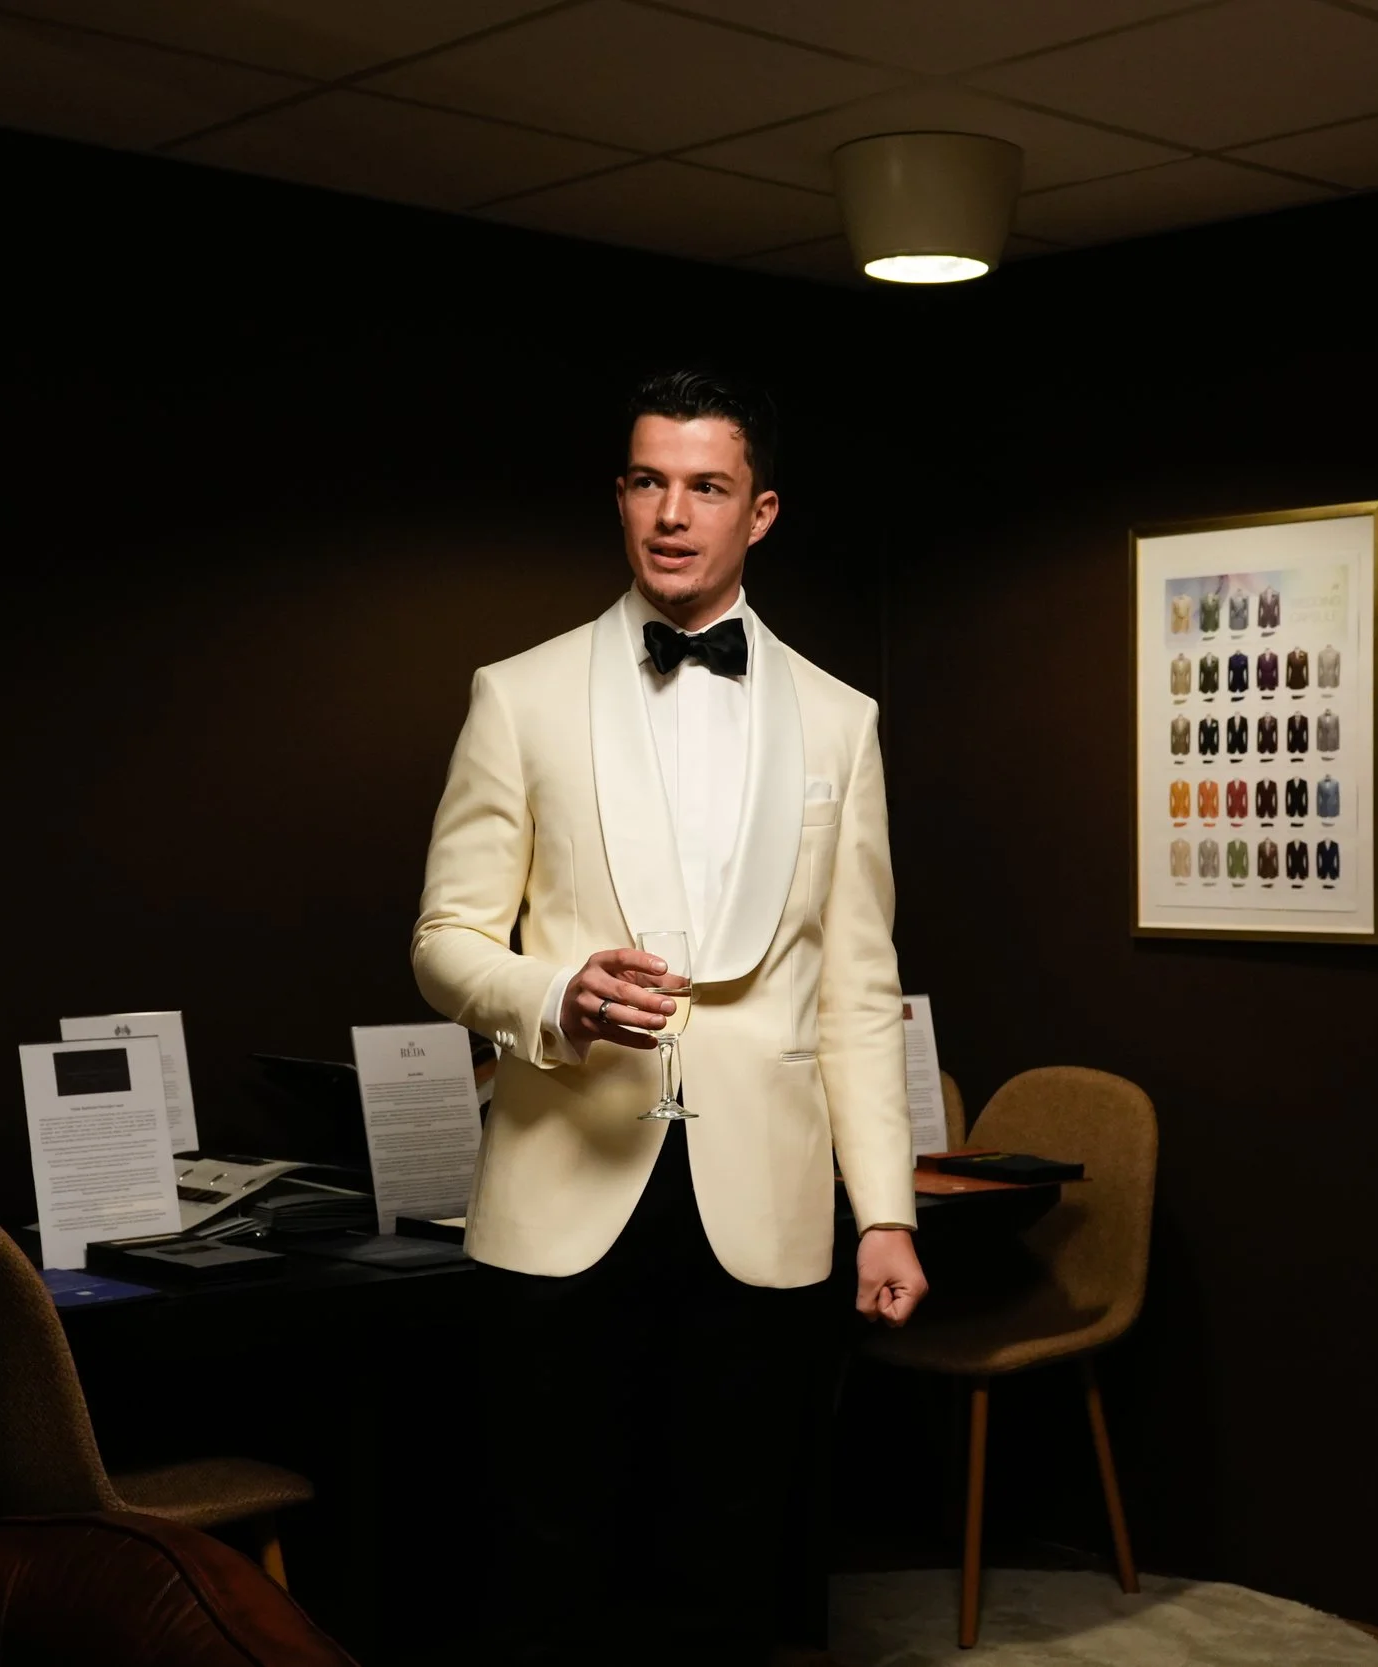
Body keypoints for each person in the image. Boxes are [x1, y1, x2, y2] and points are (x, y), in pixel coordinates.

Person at [411, 370, 926, 1667]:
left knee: (736, 1556)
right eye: (648, 480)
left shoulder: (840, 719)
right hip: (562, 1195)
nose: (672, 512)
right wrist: (555, 993)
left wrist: (884, 1208)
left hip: (762, 1204)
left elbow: (859, 990)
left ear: (760, 513)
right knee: (546, 1550)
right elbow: (442, 943)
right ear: (622, 497)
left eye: (705, 486)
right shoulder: (516, 694)